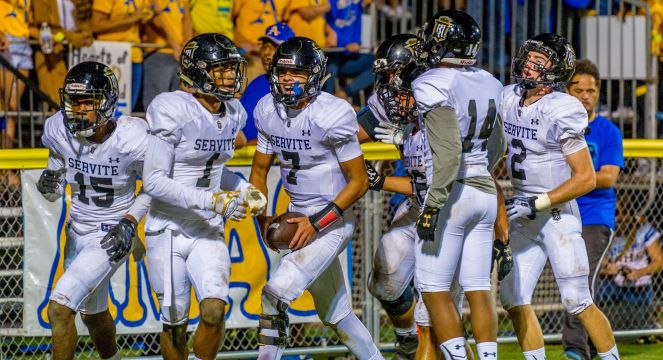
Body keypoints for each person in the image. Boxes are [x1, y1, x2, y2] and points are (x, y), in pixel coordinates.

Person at [249, 36, 382, 360]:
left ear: (315, 75)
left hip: (332, 221)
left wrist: (316, 221)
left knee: (275, 294)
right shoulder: (268, 108)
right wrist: (263, 219)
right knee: (337, 316)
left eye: (296, 73)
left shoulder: (332, 113)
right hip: (297, 215)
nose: (286, 80)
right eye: (282, 72)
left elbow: (360, 180)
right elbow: (258, 172)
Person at [142, 33, 267, 360]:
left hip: (206, 229)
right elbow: (154, 181)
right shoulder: (172, 108)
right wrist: (212, 200)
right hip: (167, 230)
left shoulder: (234, 112)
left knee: (214, 311)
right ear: (198, 72)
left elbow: (211, 171)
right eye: (221, 69)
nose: (230, 76)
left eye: (230, 68)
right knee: (174, 324)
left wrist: (242, 188)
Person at [498, 33, 621, 360]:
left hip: (556, 215)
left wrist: (535, 202)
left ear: (554, 72)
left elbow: (586, 178)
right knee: (513, 298)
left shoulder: (561, 108)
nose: (529, 66)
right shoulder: (508, 97)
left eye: (539, 63)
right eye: (529, 58)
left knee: (577, 300)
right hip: (524, 213)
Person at [38, 61, 150, 360]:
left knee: (60, 309)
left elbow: (155, 186)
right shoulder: (58, 129)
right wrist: (49, 183)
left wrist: (130, 221)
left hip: (112, 233)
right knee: (93, 314)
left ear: (107, 101)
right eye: (75, 101)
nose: (81, 109)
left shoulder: (132, 137)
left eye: (89, 101)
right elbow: (54, 189)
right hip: (77, 231)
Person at [411, 9, 505, 360]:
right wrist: (481, 169)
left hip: (452, 193)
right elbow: (500, 147)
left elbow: (449, 151)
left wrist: (434, 203)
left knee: (434, 289)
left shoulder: (432, 81)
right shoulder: (490, 80)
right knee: (478, 287)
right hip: (484, 189)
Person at [562, 59, 624, 360]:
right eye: (579, 90)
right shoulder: (558, 125)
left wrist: (575, 178)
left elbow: (609, 177)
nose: (586, 96)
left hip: (594, 218)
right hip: (559, 214)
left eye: (591, 90)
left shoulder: (609, 131)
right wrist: (583, 177)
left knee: (580, 281)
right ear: (567, 91)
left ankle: (576, 350)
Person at [598, 196, 663, 330]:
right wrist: (606, 269)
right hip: (609, 285)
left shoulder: (643, 229)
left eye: (625, 212)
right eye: (616, 213)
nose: (621, 217)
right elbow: (590, 262)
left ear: (631, 214)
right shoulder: (601, 231)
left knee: (641, 327)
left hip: (638, 286)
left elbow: (659, 262)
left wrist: (639, 272)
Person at [30, 0, 94, 110]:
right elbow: (45, 25)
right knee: (57, 99)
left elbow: (84, 21)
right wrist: (72, 37)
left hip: (76, 52)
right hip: (53, 53)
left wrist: (84, 35)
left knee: (80, 96)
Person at [91, 0, 154, 111]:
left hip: (135, 56)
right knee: (105, 108)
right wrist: (130, 19)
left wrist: (149, 17)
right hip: (111, 56)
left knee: (127, 109)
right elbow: (95, 25)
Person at [240, 22, 295, 144]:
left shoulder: (295, 89)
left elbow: (290, 136)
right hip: (243, 157)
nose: (266, 53)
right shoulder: (256, 83)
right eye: (264, 46)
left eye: (273, 47)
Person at [142, 0, 193, 109]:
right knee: (156, 102)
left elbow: (187, 21)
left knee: (179, 102)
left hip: (179, 55)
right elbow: (154, 20)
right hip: (158, 53)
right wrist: (174, 45)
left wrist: (186, 47)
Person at [323, 0, 375, 102]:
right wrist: (344, 43)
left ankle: (346, 93)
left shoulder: (356, 2)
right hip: (331, 55)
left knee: (377, 65)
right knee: (330, 70)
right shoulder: (328, 2)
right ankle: (326, 103)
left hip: (349, 57)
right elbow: (321, 19)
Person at [0, 0, 33, 148]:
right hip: (5, 42)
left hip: (24, 44)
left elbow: (29, 22)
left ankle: (5, 166)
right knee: (5, 106)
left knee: (12, 108)